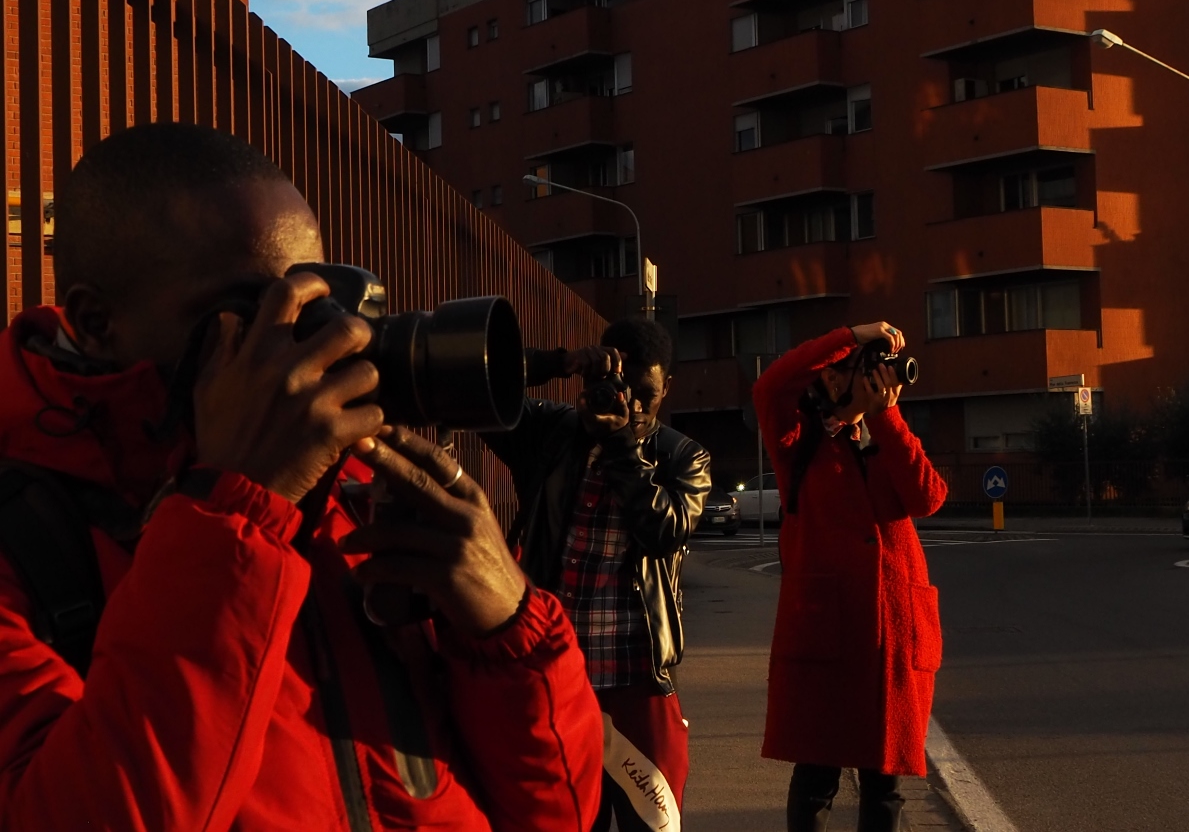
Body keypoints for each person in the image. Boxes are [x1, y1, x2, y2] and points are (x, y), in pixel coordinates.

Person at [0, 123, 603, 830]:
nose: (303, 341)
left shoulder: (349, 498)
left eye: (310, 302)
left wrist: (507, 630)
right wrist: (238, 511)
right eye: (248, 309)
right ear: (95, 321)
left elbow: (558, 812)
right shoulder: (26, 533)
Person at [481, 319, 711, 832]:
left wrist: (623, 446)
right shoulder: (550, 434)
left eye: (647, 395)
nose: (634, 406)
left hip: (636, 681)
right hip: (556, 678)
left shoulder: (682, 456)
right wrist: (556, 362)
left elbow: (664, 531)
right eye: (621, 389)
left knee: (651, 827)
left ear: (666, 387)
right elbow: (478, 385)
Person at [753, 322, 948, 832]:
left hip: (891, 639)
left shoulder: (887, 436)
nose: (869, 377)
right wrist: (852, 334)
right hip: (827, 635)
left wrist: (887, 417)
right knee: (817, 778)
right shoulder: (798, 441)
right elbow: (771, 386)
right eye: (853, 369)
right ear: (831, 379)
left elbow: (928, 497)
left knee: (886, 787)